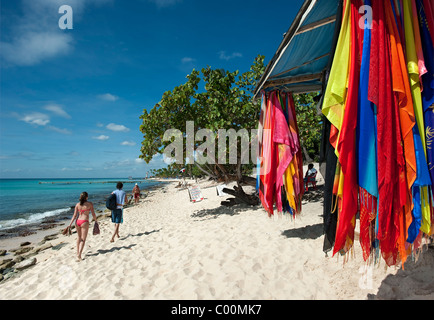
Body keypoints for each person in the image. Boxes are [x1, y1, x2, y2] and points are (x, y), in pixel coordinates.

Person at [66, 192, 97, 261]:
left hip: (77, 222)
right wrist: (96, 221)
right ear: (87, 197)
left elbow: (74, 216)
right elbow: (93, 213)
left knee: (79, 237)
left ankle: (77, 252)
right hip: (84, 222)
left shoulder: (77, 205)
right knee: (83, 239)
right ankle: (79, 255)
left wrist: (70, 224)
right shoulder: (89, 204)